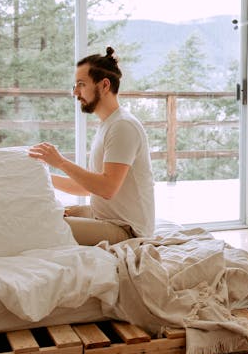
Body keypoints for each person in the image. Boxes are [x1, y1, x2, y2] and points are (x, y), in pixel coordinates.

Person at [28, 47, 155, 244]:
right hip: (104, 217)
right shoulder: (109, 124)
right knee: (48, 212)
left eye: (81, 84)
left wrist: (60, 162)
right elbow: (89, 188)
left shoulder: (123, 126)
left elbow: (107, 188)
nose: (76, 92)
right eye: (75, 85)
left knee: (41, 224)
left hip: (127, 230)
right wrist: (42, 175)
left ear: (104, 85)